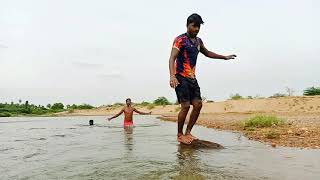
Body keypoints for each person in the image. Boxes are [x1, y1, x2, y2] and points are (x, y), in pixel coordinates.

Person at [168, 13, 237, 144]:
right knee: (186, 106)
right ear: (187, 25)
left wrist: (224, 57)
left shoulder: (198, 41)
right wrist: (172, 76)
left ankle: (188, 132)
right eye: (194, 26)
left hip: (192, 78)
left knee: (198, 104)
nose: (196, 29)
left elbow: (207, 52)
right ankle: (179, 134)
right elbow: (172, 58)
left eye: (198, 26)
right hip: (180, 77)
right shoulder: (180, 40)